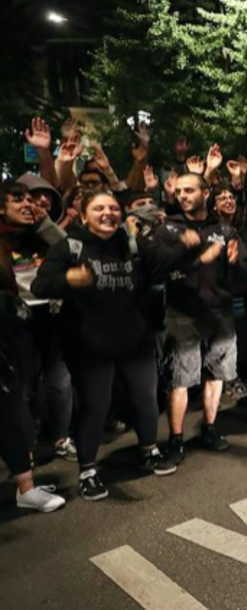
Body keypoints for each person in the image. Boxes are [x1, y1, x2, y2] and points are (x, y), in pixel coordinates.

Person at [33, 191, 203, 501]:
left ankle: (149, 451)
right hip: (90, 346)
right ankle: (88, 470)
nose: (108, 213)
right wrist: (68, 279)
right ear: (84, 216)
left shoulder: (132, 244)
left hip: (135, 340)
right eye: (99, 208)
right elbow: (40, 285)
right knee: (95, 407)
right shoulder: (69, 247)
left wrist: (188, 248)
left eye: (113, 208)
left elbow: (162, 263)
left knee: (146, 400)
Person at [154, 174, 247, 463]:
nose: (183, 195)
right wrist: (192, 255)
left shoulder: (225, 230)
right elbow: (157, 268)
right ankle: (176, 438)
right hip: (182, 312)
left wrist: (236, 261)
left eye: (189, 190)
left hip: (219, 312)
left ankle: (209, 428)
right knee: (180, 379)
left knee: (216, 375)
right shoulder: (168, 229)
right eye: (179, 191)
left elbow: (242, 277)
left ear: (205, 194)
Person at [0, 183, 67, 512]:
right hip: (10, 328)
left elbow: (70, 250)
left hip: (44, 317)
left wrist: (45, 223)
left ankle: (32, 469)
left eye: (30, 199)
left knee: (52, 385)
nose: (27, 204)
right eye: (18, 199)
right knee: (19, 394)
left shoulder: (38, 234)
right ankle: (24, 470)